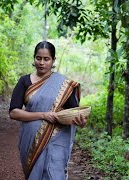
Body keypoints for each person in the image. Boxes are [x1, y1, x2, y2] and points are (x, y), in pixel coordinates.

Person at [9, 40, 87, 180]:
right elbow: (14, 112)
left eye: (46, 59)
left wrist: (81, 122)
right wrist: (43, 115)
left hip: (57, 139)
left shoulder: (64, 85)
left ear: (53, 60)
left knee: (54, 174)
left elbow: (74, 113)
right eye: (38, 58)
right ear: (34, 58)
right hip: (31, 140)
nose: (42, 63)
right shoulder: (24, 81)